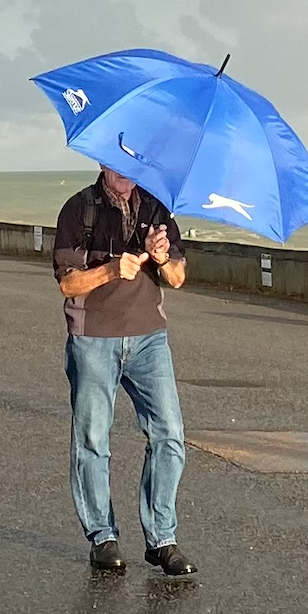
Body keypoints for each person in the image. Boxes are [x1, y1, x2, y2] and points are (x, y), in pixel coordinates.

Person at [52, 165, 197, 575]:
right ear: (102, 162)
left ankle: (162, 540)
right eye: (119, 167)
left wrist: (162, 256)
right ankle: (102, 536)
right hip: (93, 337)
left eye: (135, 167)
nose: (128, 176)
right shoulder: (79, 210)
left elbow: (178, 278)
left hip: (149, 338)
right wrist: (112, 271)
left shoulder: (156, 208)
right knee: (93, 439)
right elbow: (67, 284)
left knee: (170, 435)